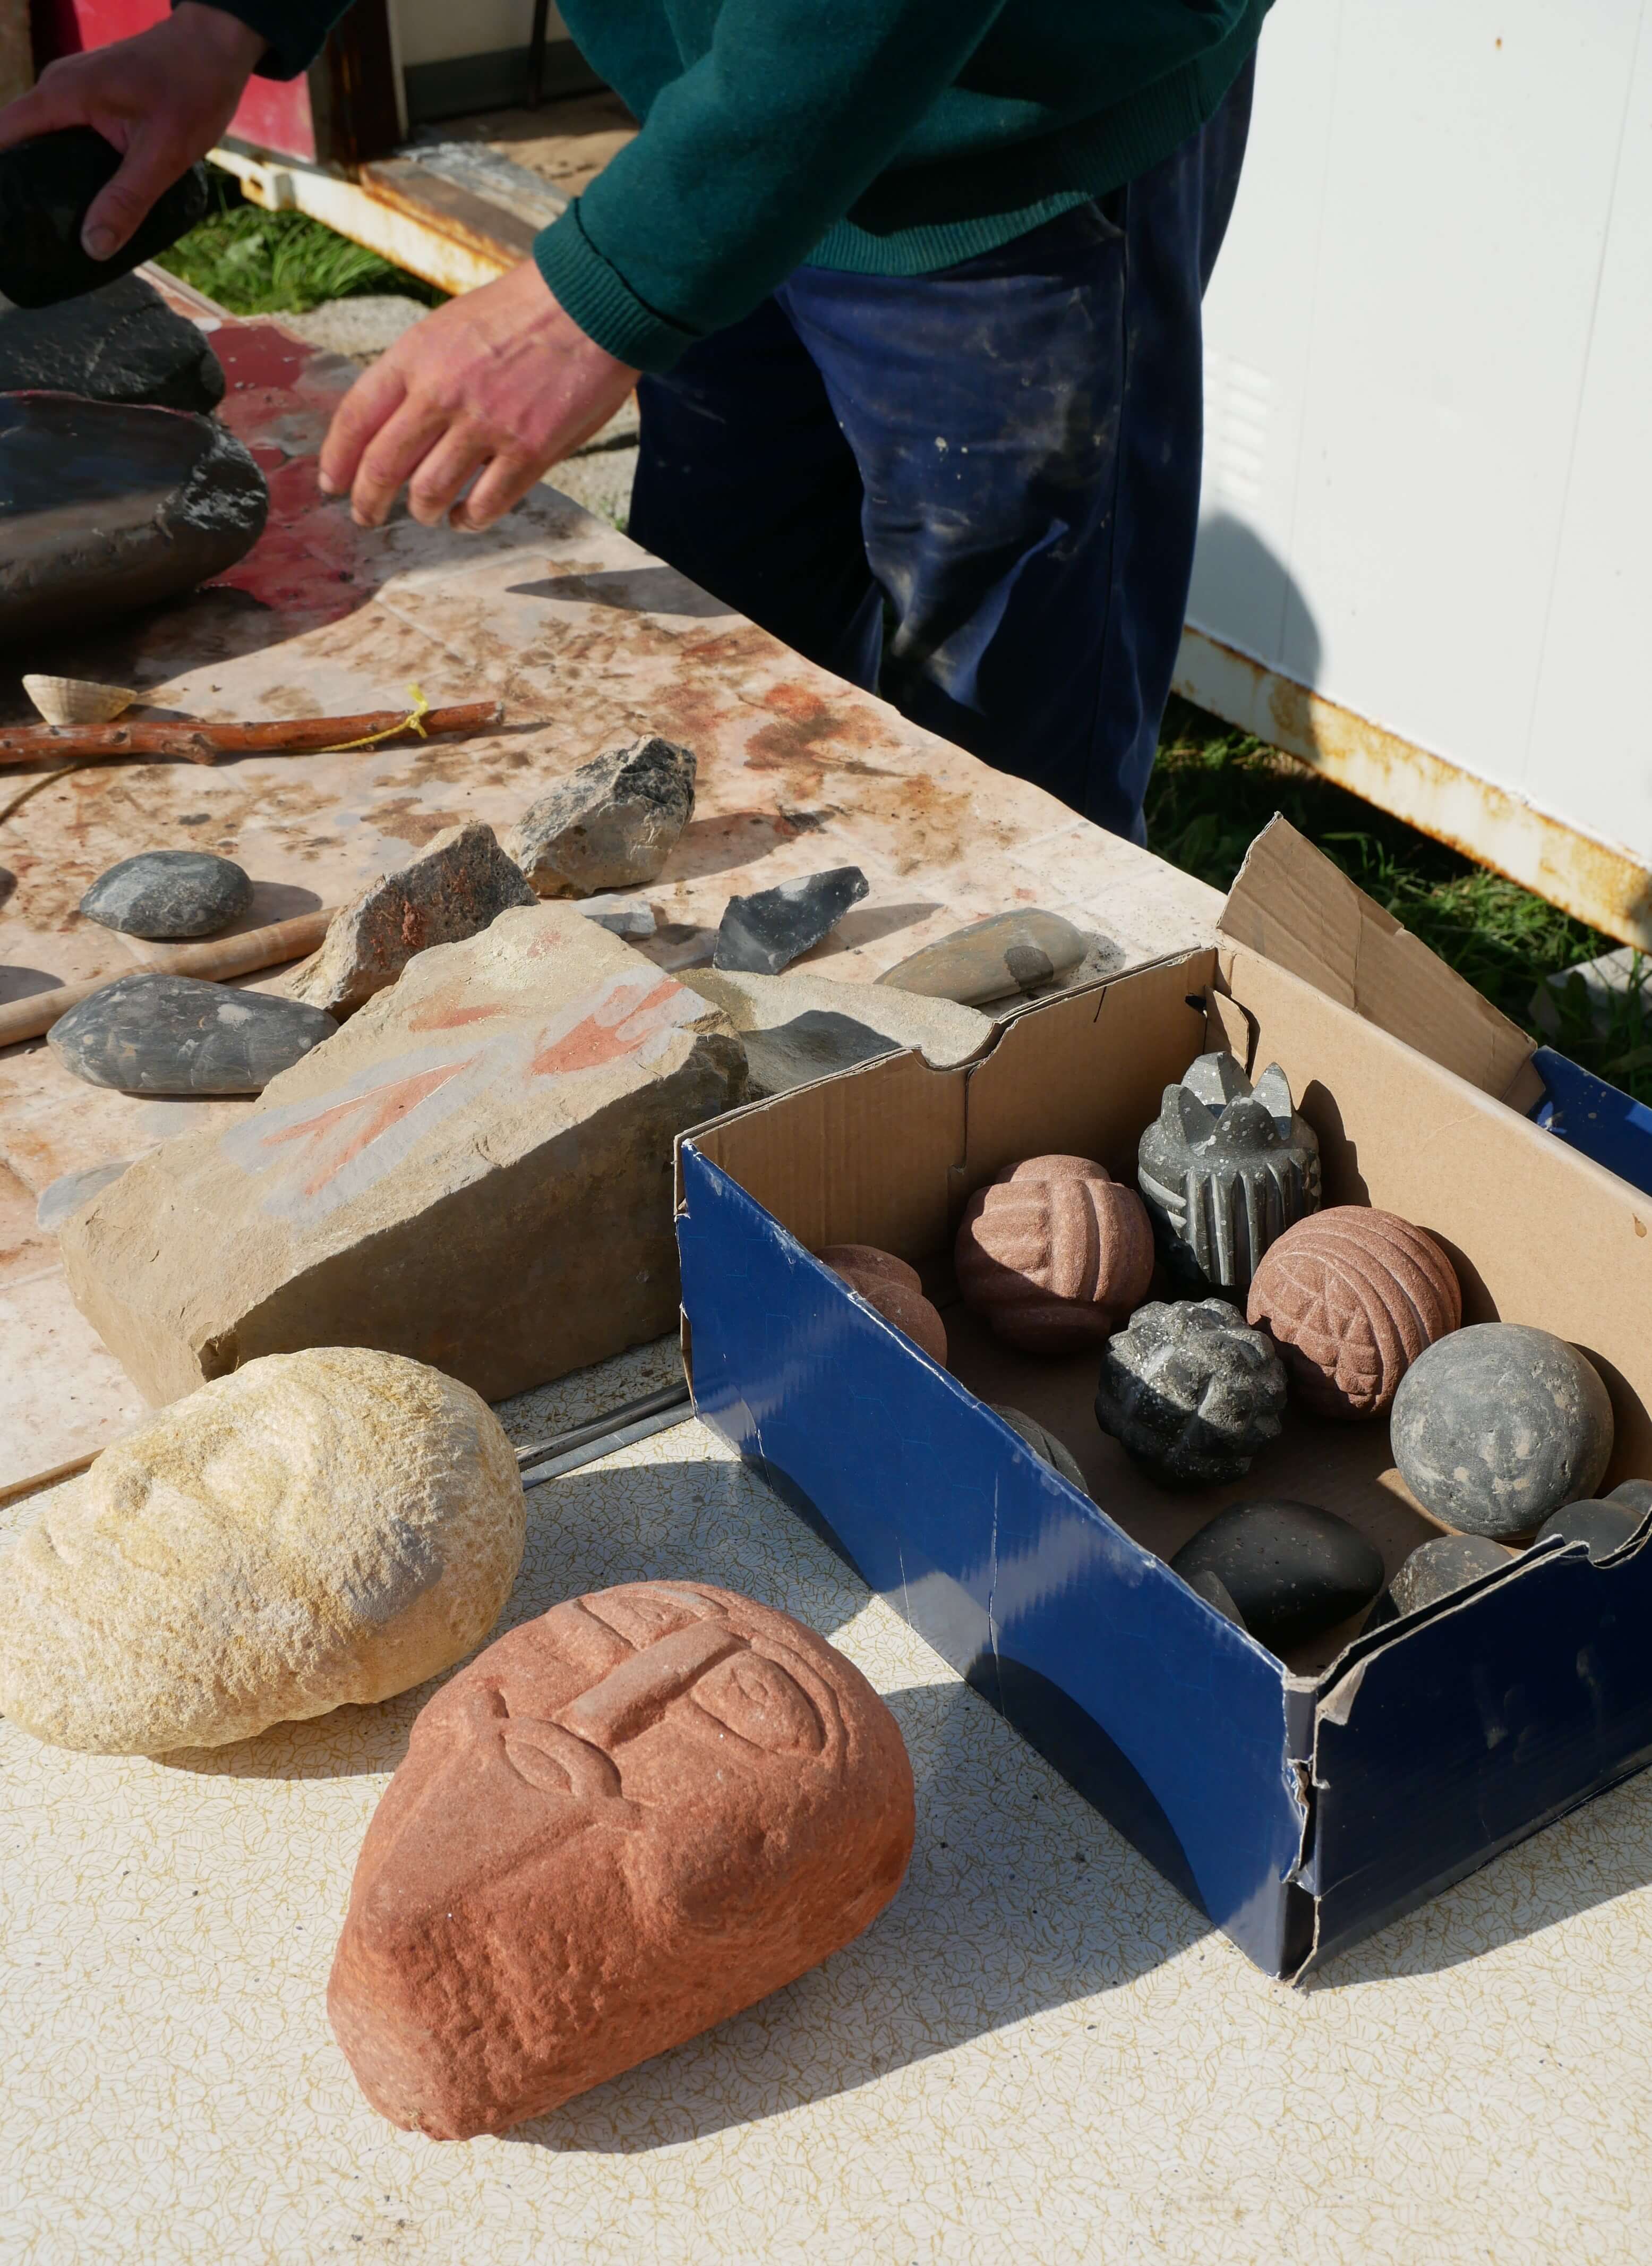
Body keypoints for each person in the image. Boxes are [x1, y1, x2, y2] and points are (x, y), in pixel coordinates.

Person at [0, 1, 1265, 842]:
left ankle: (1043, 1076)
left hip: (1006, 131)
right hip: (716, 103)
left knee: (1015, 756)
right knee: (734, 680)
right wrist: (229, 21)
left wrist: (603, 292)